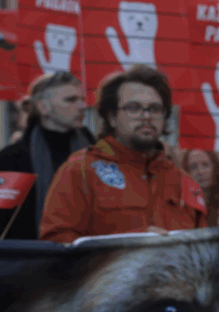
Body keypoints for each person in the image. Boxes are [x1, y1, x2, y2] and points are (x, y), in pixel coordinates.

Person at [39, 65, 206, 243]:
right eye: (134, 108)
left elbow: (203, 249)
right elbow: (56, 243)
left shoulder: (184, 182)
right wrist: (128, 246)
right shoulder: (80, 171)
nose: (147, 116)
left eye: (155, 109)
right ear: (111, 117)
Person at [0, 72, 94, 240]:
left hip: (91, 251)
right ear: (43, 107)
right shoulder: (13, 159)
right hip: (31, 253)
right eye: (71, 100)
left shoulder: (96, 152)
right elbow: (4, 220)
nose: (83, 106)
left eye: (82, 99)